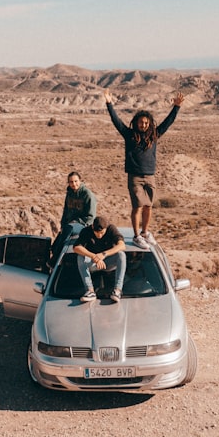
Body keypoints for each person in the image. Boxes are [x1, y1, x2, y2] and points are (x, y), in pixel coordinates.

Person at [104, 89, 184, 249]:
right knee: (137, 206)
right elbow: (116, 120)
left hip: (150, 176)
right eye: (141, 122)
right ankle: (136, 236)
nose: (143, 125)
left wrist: (176, 107)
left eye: (146, 123)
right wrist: (109, 104)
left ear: (150, 123)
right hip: (135, 177)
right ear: (136, 122)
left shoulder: (154, 135)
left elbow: (167, 123)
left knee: (149, 206)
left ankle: (145, 233)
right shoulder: (129, 134)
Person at [72, 215, 126, 303]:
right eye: (97, 232)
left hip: (108, 262)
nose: (99, 235)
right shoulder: (86, 231)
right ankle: (90, 291)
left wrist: (104, 254)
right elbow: (76, 247)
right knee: (80, 256)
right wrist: (94, 256)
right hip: (92, 263)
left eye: (102, 232)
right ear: (92, 227)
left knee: (121, 255)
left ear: (106, 228)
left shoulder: (111, 229)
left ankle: (117, 290)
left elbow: (122, 245)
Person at [49, 171, 97, 268]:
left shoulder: (87, 195)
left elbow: (90, 217)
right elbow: (65, 211)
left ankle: (55, 260)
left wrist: (75, 222)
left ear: (80, 181)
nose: (74, 184)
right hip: (69, 224)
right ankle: (54, 256)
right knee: (56, 244)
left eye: (76, 181)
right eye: (71, 182)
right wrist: (62, 225)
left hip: (83, 224)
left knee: (69, 229)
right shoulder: (69, 194)